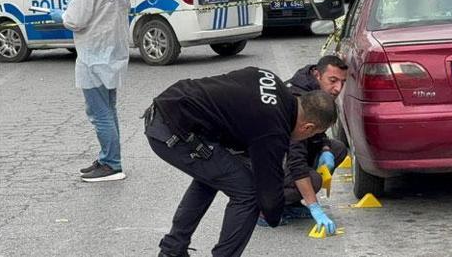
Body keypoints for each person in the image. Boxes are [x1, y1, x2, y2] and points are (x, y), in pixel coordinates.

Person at [145, 68, 337, 257]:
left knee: (215, 176)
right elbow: (269, 197)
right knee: (248, 193)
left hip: (170, 107)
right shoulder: (273, 129)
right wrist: (278, 212)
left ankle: (172, 250)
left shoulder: (273, 82)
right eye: (313, 134)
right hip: (172, 130)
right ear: (308, 127)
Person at [48, 0, 131, 183]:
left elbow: (78, 18)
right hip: (114, 44)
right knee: (109, 107)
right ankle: (109, 157)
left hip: (95, 49)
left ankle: (111, 163)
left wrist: (62, 16)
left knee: (98, 111)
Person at [255, 57, 348, 228]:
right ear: (317, 74)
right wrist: (314, 206)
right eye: (333, 81)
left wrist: (325, 148)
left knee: (338, 149)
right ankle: (266, 209)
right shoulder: (298, 102)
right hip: (264, 163)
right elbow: (296, 161)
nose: (338, 89)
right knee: (312, 180)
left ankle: (290, 203)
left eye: (343, 82)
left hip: (285, 152)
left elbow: (317, 131)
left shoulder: (315, 90)